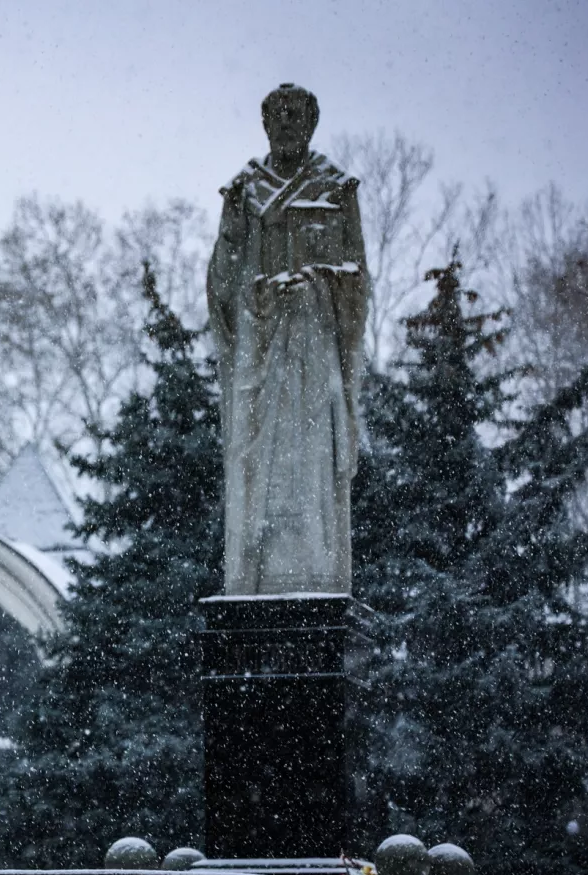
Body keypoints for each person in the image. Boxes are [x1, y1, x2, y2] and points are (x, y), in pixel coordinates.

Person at [206, 83, 368, 595]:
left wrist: (319, 286)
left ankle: (313, 570)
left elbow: (358, 283)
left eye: (297, 115)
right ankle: (256, 573)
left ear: (313, 123)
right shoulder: (244, 192)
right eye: (277, 115)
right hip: (260, 344)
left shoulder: (335, 189)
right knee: (256, 460)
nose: (287, 123)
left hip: (313, 350)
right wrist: (253, 285)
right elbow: (221, 286)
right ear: (265, 123)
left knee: (313, 462)